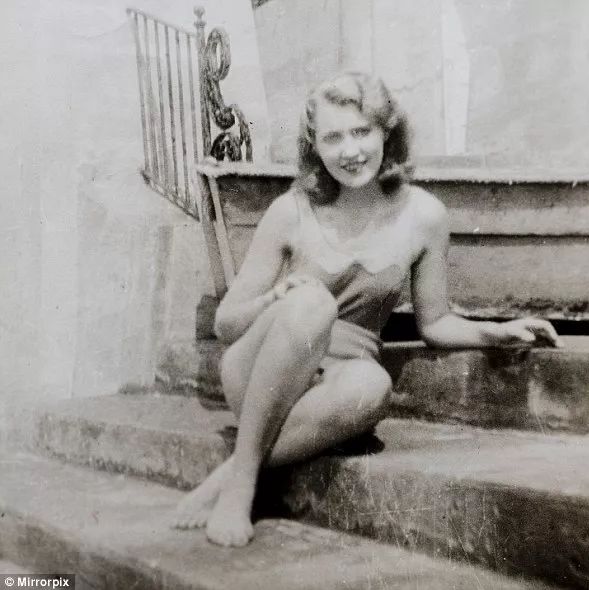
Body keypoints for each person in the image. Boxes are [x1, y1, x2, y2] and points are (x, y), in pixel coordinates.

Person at [171, 72, 562, 547]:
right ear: (314, 146)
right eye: (333, 137)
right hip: (263, 373)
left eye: (362, 132)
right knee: (312, 302)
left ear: (387, 133)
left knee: (374, 386)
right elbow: (225, 324)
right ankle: (241, 486)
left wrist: (494, 333)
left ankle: (231, 469)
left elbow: (435, 322)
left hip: (337, 387)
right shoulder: (290, 211)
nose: (350, 151)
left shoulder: (425, 216)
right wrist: (275, 299)